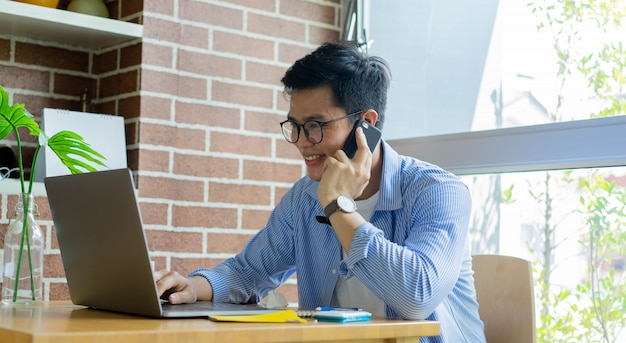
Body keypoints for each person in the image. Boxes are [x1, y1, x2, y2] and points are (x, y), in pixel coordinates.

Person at [155, 42, 486, 342]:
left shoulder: (438, 192)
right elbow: (250, 271)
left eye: (315, 126)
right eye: (294, 126)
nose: (301, 141)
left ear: (365, 126)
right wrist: (196, 286)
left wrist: (337, 206)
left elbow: (416, 296)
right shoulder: (304, 197)